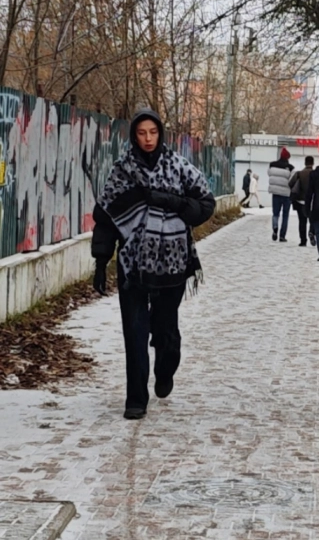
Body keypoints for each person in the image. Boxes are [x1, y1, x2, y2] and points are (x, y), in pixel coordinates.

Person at [91, 109, 216, 420]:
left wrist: (171, 201)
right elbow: (106, 218)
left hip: (172, 262)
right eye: (141, 133)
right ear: (134, 136)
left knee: (165, 330)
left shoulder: (178, 167)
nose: (148, 139)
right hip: (132, 264)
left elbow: (206, 205)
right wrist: (100, 261)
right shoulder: (122, 171)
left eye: (153, 132)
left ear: (160, 134)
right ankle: (136, 398)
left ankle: (165, 368)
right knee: (134, 331)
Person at [267, 148, 294, 242]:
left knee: (275, 214)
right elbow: (292, 181)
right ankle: (282, 236)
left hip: (276, 193)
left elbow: (269, 173)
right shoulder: (291, 167)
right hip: (286, 195)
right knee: (285, 215)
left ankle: (275, 228)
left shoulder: (272, 165)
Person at [290, 156, 315, 247]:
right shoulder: (315, 173)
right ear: (313, 163)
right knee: (313, 220)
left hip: (300, 201)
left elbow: (290, 184)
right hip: (312, 201)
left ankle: (303, 240)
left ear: (305, 163)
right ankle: (312, 233)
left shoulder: (299, 173)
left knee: (302, 221)